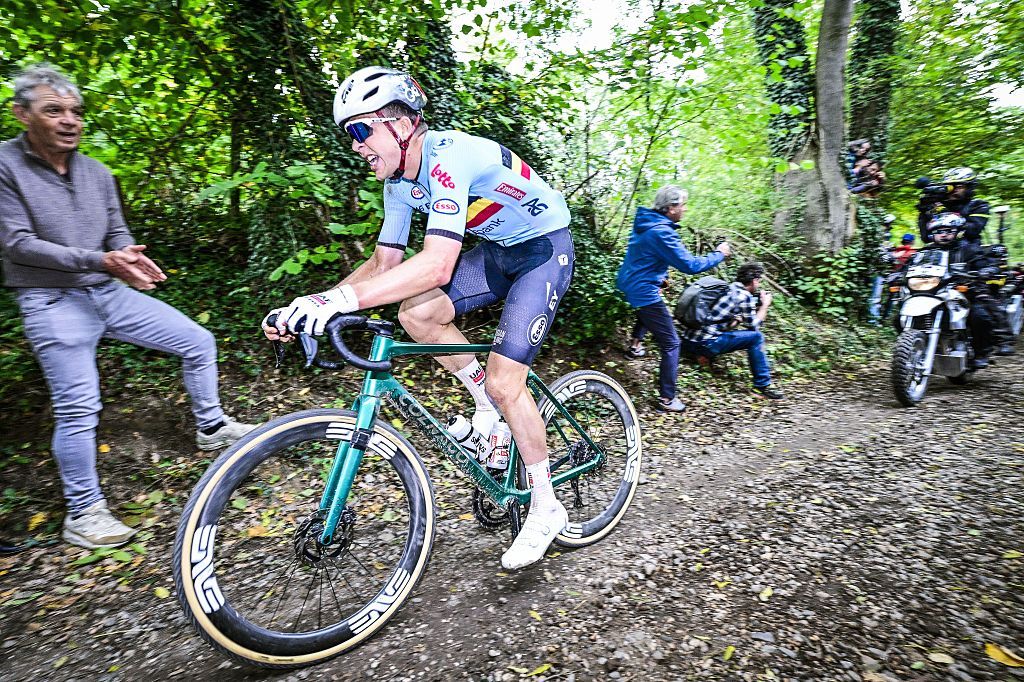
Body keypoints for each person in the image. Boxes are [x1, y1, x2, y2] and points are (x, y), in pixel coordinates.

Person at [262, 66, 574, 571]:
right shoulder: (398, 186)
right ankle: (489, 417)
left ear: (401, 125)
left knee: (505, 381)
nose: (357, 145)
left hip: (544, 251)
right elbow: (384, 267)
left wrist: (337, 304)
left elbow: (436, 264)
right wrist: (315, 301)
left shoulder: (448, 158)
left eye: (361, 130)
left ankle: (546, 505)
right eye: (350, 135)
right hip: (499, 250)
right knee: (418, 314)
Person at [0, 64, 255, 550]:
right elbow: (17, 243)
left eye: (75, 111)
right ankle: (83, 513)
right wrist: (100, 258)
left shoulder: (97, 172)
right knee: (78, 408)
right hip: (52, 300)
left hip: (108, 290)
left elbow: (116, 231)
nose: (69, 120)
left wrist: (129, 257)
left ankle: (212, 427)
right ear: (22, 114)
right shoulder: (4, 167)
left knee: (198, 341)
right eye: (54, 110)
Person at [615, 185, 731, 413]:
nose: (685, 209)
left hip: (632, 281)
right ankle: (667, 399)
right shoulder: (662, 231)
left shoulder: (648, 224)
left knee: (650, 309)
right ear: (670, 208)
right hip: (642, 289)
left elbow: (646, 256)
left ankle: (635, 347)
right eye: (682, 205)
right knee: (671, 342)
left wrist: (661, 277)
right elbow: (690, 265)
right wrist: (720, 254)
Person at [679, 262, 784, 399]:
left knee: (723, 335)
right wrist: (764, 306)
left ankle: (701, 356)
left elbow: (717, 321)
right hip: (705, 343)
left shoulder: (728, 288)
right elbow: (754, 327)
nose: (758, 285)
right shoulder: (744, 296)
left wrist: (736, 320)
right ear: (754, 280)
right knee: (757, 338)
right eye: (758, 281)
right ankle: (762, 386)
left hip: (687, 340)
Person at [918, 213, 999, 368]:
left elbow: (985, 263)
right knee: (899, 316)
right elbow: (909, 266)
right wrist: (897, 273)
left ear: (957, 232)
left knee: (980, 316)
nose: (943, 235)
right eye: (938, 231)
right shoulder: (925, 253)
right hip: (933, 293)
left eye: (948, 231)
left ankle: (982, 352)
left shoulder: (969, 250)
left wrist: (986, 270)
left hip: (964, 292)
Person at [917, 167, 989, 244]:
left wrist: (945, 213)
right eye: (950, 186)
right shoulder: (936, 205)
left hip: (967, 251)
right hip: (938, 251)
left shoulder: (979, 205)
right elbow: (925, 238)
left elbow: (973, 231)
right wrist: (924, 213)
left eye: (959, 187)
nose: (954, 190)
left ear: (969, 188)